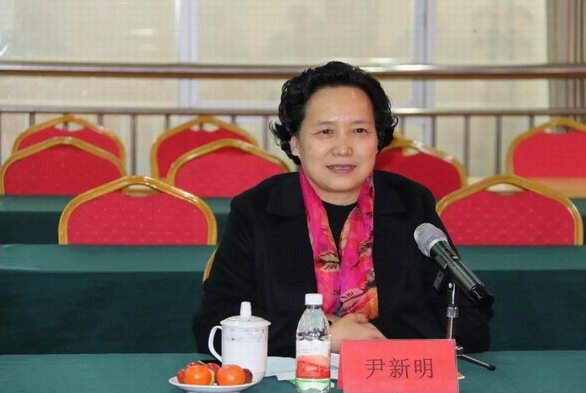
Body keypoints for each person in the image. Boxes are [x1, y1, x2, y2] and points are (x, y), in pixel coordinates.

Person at [193, 61, 490, 357]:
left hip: (388, 379)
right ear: (295, 143)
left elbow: (470, 324)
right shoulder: (257, 209)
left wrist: (369, 338)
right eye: (325, 132)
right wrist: (320, 336)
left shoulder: (410, 203)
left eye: (359, 130)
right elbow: (213, 326)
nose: (343, 148)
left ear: (378, 140)